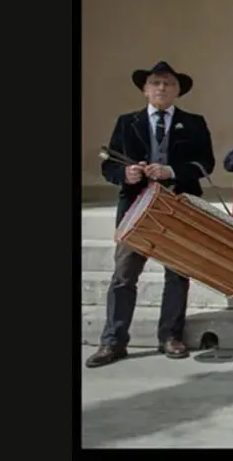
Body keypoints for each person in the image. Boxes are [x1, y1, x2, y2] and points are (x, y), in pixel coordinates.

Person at [88, 61, 216, 368]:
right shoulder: (127, 122)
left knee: (177, 273)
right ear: (145, 89)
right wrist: (126, 174)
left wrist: (171, 170)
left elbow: (206, 164)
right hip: (136, 206)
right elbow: (108, 165)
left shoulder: (194, 122)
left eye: (168, 84)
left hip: (177, 205)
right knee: (124, 275)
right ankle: (113, 340)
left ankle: (170, 336)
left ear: (177, 90)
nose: (161, 88)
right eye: (155, 83)